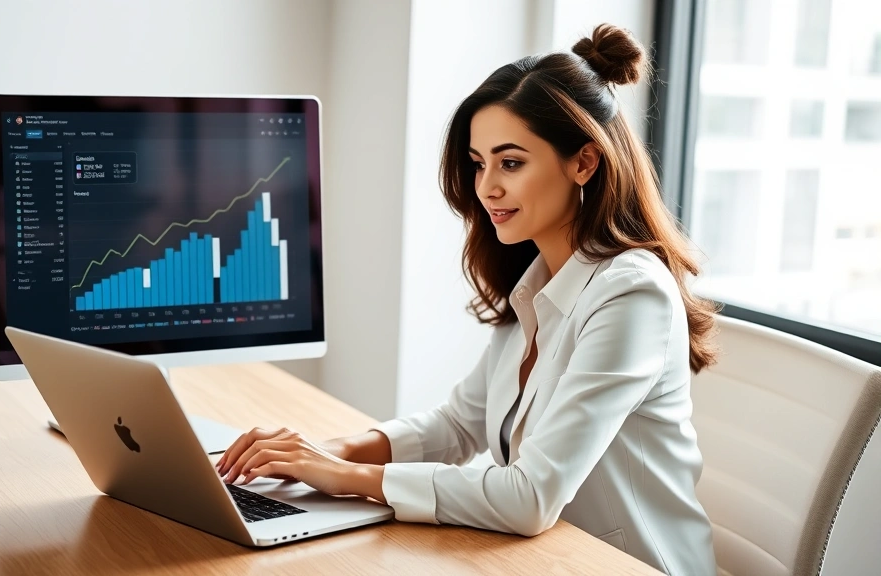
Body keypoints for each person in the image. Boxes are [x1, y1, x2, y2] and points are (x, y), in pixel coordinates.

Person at [216, 23, 718, 575]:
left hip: (622, 565)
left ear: (584, 162)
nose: (486, 188)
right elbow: (461, 425)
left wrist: (351, 479)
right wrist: (326, 452)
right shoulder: (536, 279)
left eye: (511, 162)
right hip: (540, 560)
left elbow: (530, 498)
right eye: (479, 163)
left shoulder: (631, 295)